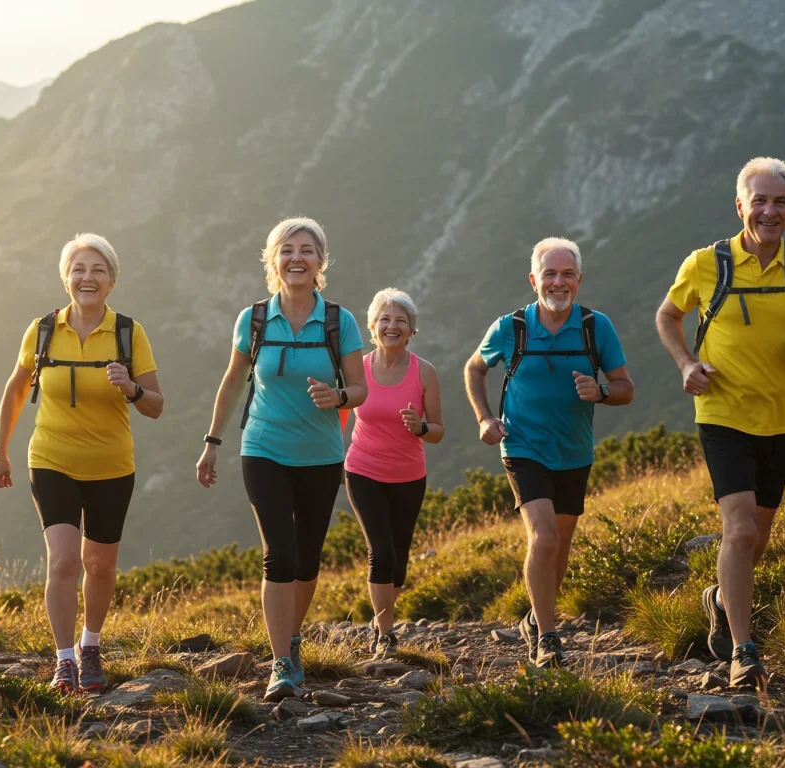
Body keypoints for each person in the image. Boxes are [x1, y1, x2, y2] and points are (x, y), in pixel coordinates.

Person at [655, 157, 785, 689]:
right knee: (738, 531)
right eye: (758, 201)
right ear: (739, 206)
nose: (769, 210)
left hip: (781, 418)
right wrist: (687, 365)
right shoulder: (705, 263)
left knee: (756, 538)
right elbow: (667, 316)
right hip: (722, 414)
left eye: (779, 201)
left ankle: (719, 598)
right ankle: (744, 650)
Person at [195, 217, 366, 701]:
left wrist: (339, 397)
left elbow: (361, 387)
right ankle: (282, 663)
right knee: (280, 553)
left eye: (306, 250)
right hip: (264, 448)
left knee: (308, 558)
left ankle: (290, 634)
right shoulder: (252, 319)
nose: (296, 258)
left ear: (320, 261)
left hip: (321, 454)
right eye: (287, 250)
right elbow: (232, 382)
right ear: (273, 260)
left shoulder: (340, 321)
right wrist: (212, 441)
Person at [0, 233, 163, 694]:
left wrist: (131, 387)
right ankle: (64, 660)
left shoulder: (129, 332)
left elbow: (156, 406)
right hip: (51, 459)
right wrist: (0, 450)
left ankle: (91, 646)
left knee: (100, 566)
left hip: (111, 465)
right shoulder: (43, 329)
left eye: (97, 270)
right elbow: (16, 389)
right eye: (79, 270)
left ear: (112, 282)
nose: (87, 278)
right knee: (64, 561)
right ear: (66, 278)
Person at [464, 237, 633, 669]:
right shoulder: (512, 327)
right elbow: (474, 368)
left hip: (574, 451)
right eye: (550, 274)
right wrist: (485, 418)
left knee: (560, 546)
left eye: (567, 275)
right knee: (544, 538)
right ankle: (548, 636)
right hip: (522, 445)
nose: (558, 282)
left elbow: (625, 387)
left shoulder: (597, 327)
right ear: (534, 279)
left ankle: (537, 619)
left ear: (579, 280)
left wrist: (602, 391)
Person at [343, 288, 444, 658]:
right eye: (385, 319)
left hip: (408, 476)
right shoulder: (358, 369)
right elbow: (339, 409)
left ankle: (382, 620)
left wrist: (419, 427)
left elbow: (437, 431)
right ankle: (384, 633)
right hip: (362, 470)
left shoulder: (425, 373)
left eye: (400, 320)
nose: (392, 326)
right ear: (372, 327)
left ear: (411, 330)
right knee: (381, 551)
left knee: (399, 556)